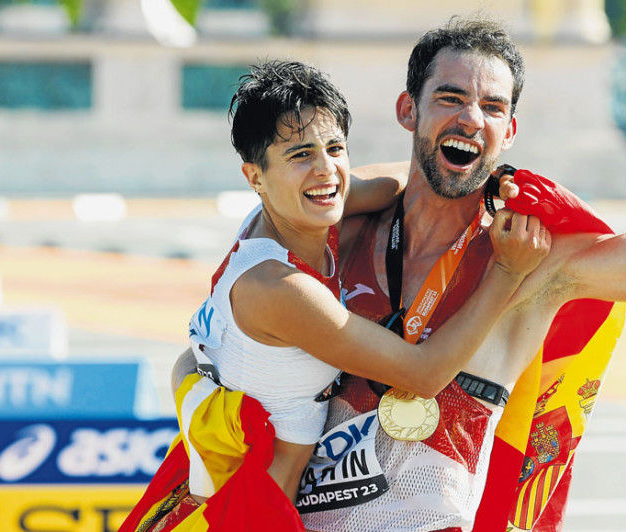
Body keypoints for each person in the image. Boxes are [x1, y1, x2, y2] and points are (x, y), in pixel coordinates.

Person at [176, 4, 626, 531]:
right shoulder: (338, 232)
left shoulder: (533, 259)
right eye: (450, 99)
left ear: (510, 131)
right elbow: (217, 331)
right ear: (409, 110)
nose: (472, 118)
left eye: (493, 107)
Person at [120, 60, 550, 532]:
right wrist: (506, 272)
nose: (326, 171)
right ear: (255, 177)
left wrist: (483, 175)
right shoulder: (280, 288)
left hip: (244, 495)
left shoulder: (301, 217)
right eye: (300, 154)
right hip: (244, 515)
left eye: (335, 148)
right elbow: (423, 374)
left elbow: (396, 184)